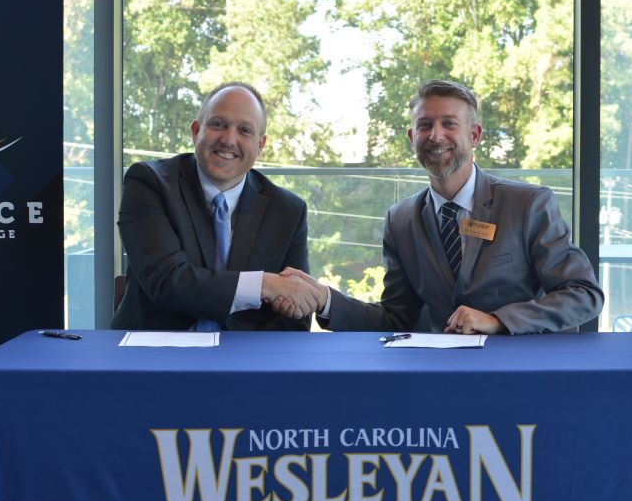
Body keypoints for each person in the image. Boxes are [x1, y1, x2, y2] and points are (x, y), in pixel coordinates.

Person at [276, 79, 604, 334]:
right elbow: (396, 318)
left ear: (474, 135)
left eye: (449, 123)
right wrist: (324, 298)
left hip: (518, 373)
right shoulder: (400, 219)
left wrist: (497, 320)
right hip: (439, 381)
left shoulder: (527, 204)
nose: (436, 135)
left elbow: (583, 294)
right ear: (411, 138)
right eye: (424, 125)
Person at [112, 82, 318, 331]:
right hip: (156, 356)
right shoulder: (149, 183)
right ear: (196, 131)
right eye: (218, 124)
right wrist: (266, 285)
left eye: (244, 130)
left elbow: (296, 315)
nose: (229, 139)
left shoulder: (288, 210)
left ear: (260, 145)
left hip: (245, 358)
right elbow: (167, 281)